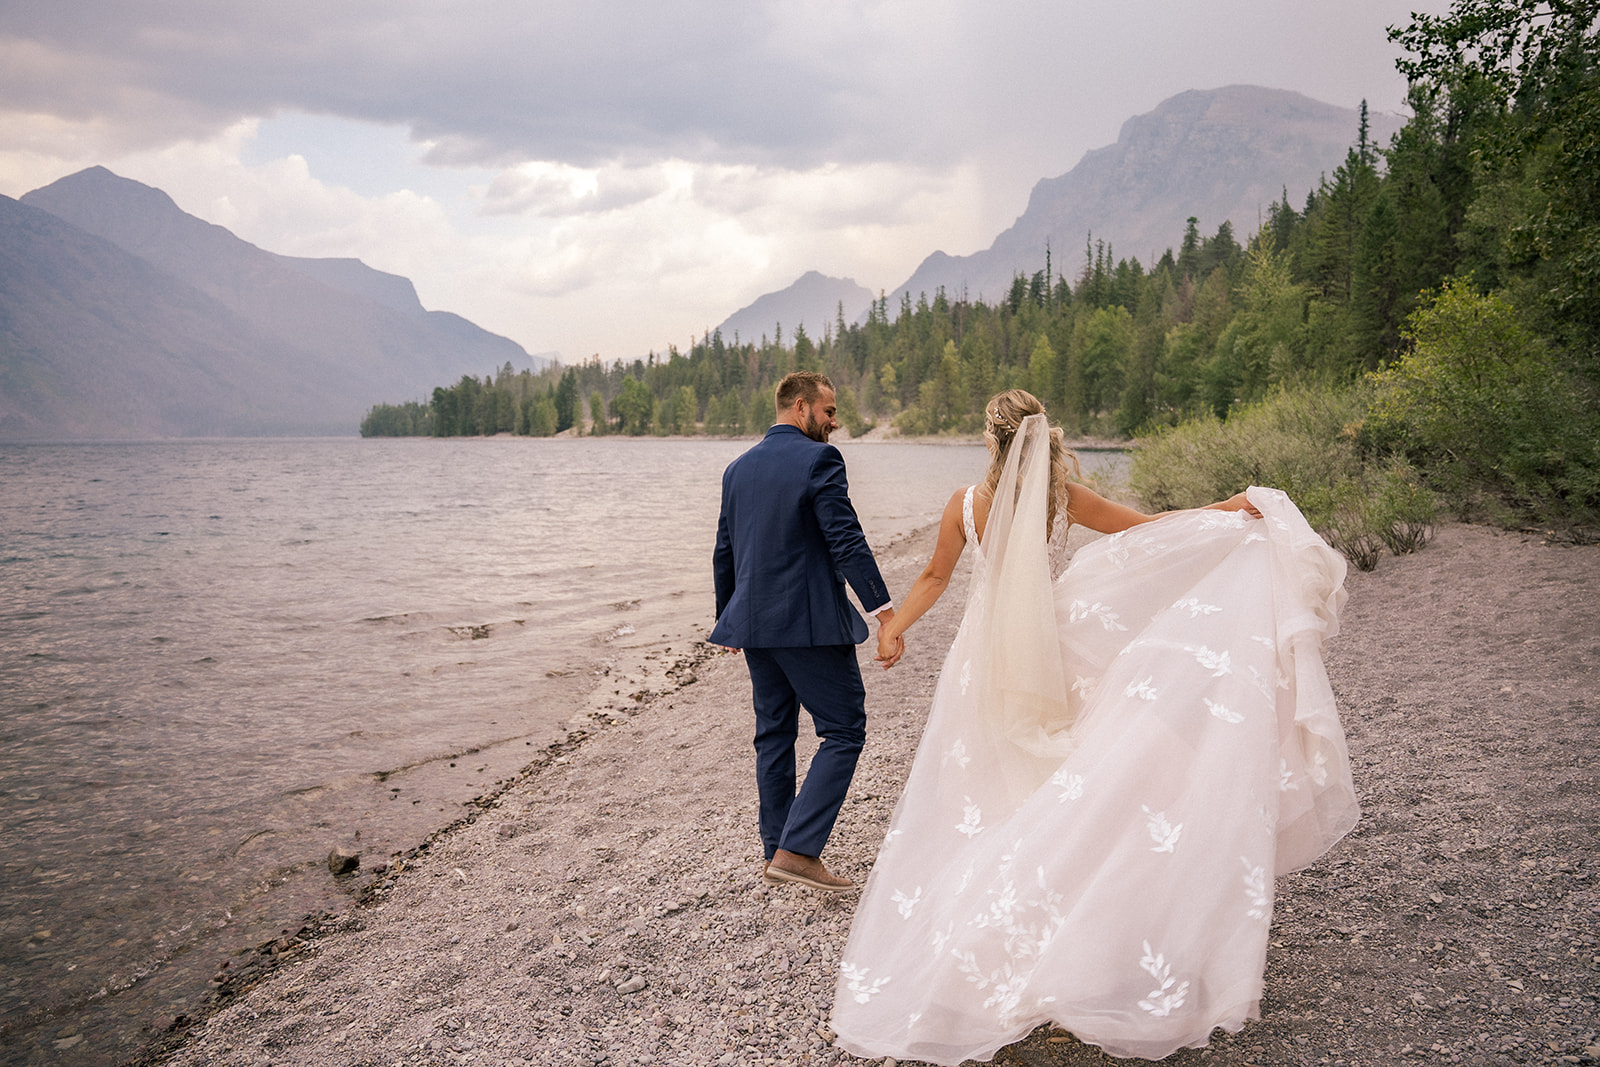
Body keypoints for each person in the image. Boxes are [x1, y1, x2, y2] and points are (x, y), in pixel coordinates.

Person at [831, 389, 1358, 1062]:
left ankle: (1003, 922)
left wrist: (893, 629)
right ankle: (1065, 913)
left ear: (990, 441)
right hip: (1043, 647)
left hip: (984, 657)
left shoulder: (965, 504)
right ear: (1042, 438)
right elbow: (1144, 528)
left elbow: (935, 575)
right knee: (1059, 772)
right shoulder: (1062, 496)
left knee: (986, 785)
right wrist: (1223, 511)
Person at [711, 371, 902, 893]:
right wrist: (884, 613)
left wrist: (727, 616)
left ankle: (775, 849)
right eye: (829, 411)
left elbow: (725, 549)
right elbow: (846, 538)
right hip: (809, 625)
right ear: (800, 408)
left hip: (754, 626)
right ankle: (797, 852)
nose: (835, 422)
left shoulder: (737, 469)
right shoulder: (820, 460)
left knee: (774, 734)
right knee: (843, 730)